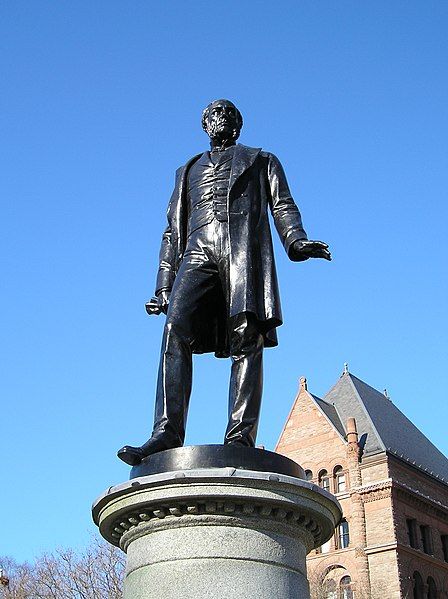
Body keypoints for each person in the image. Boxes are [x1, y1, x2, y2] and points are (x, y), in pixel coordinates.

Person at [118, 99, 330, 465]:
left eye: (228, 113)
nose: (221, 118)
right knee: (175, 330)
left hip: (241, 249)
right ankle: (166, 432)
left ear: (239, 124)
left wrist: (295, 240)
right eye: (214, 114)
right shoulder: (186, 171)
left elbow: (282, 204)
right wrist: (163, 285)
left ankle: (240, 438)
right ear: (204, 124)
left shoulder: (261, 159)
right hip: (197, 249)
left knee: (247, 336)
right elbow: (172, 230)